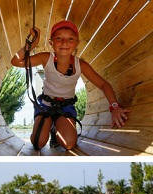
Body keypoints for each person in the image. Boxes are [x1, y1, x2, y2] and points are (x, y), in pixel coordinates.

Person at [11, 20, 130, 151]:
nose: (64, 42)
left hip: (65, 108)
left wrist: (114, 107)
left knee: (68, 144)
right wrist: (32, 44)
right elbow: (16, 61)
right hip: (46, 106)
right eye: (58, 38)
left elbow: (103, 84)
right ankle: (47, 124)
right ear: (51, 43)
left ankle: (56, 129)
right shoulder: (46, 58)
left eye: (70, 39)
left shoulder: (80, 65)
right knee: (38, 143)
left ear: (77, 43)